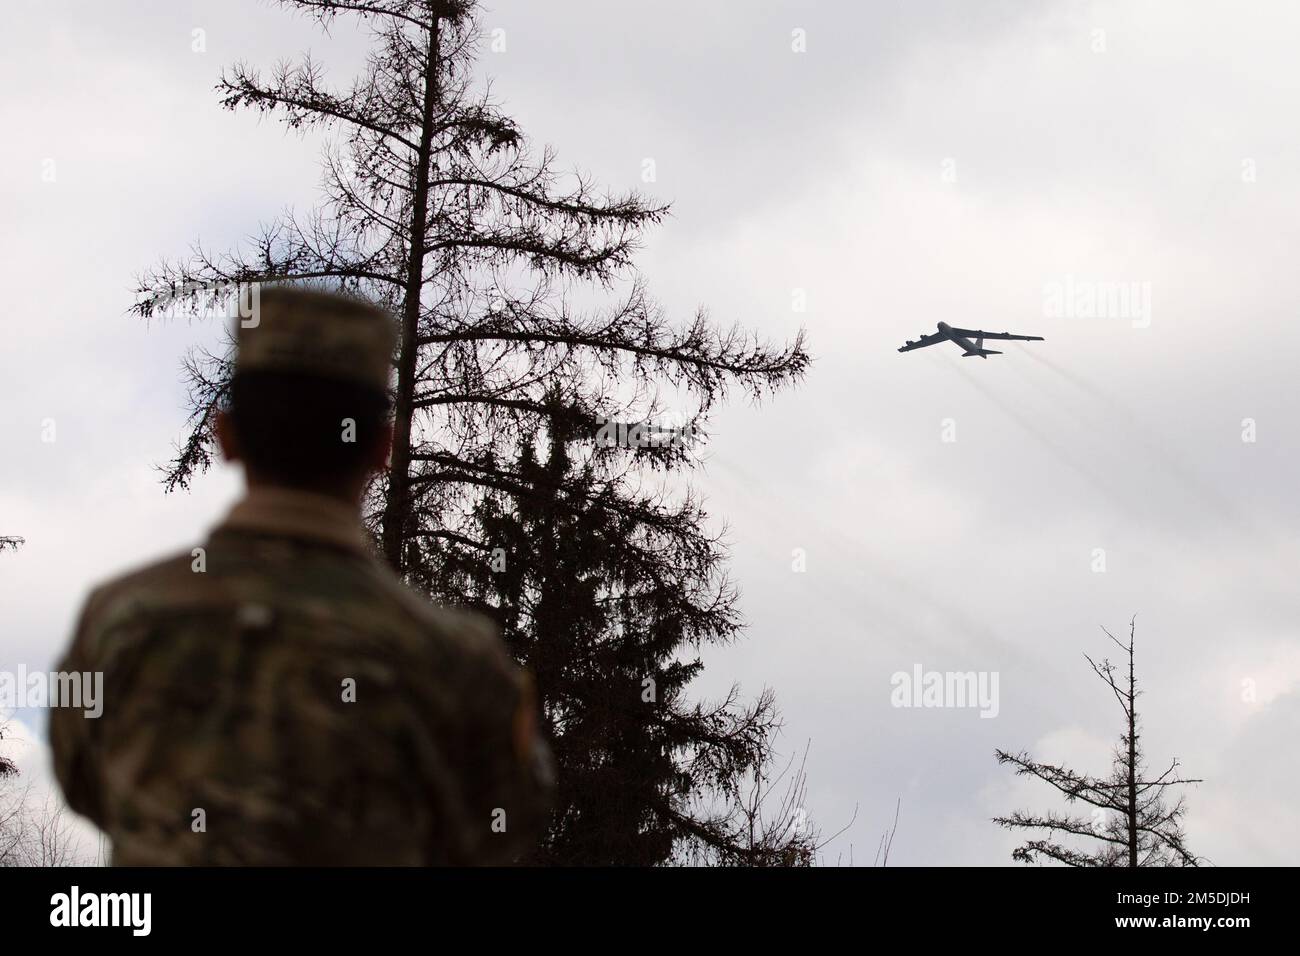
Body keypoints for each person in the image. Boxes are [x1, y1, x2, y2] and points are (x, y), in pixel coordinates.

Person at [50, 285, 553, 865]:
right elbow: (499, 831)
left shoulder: (115, 620)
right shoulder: (457, 663)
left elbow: (87, 783)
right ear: (382, 448)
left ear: (226, 436)